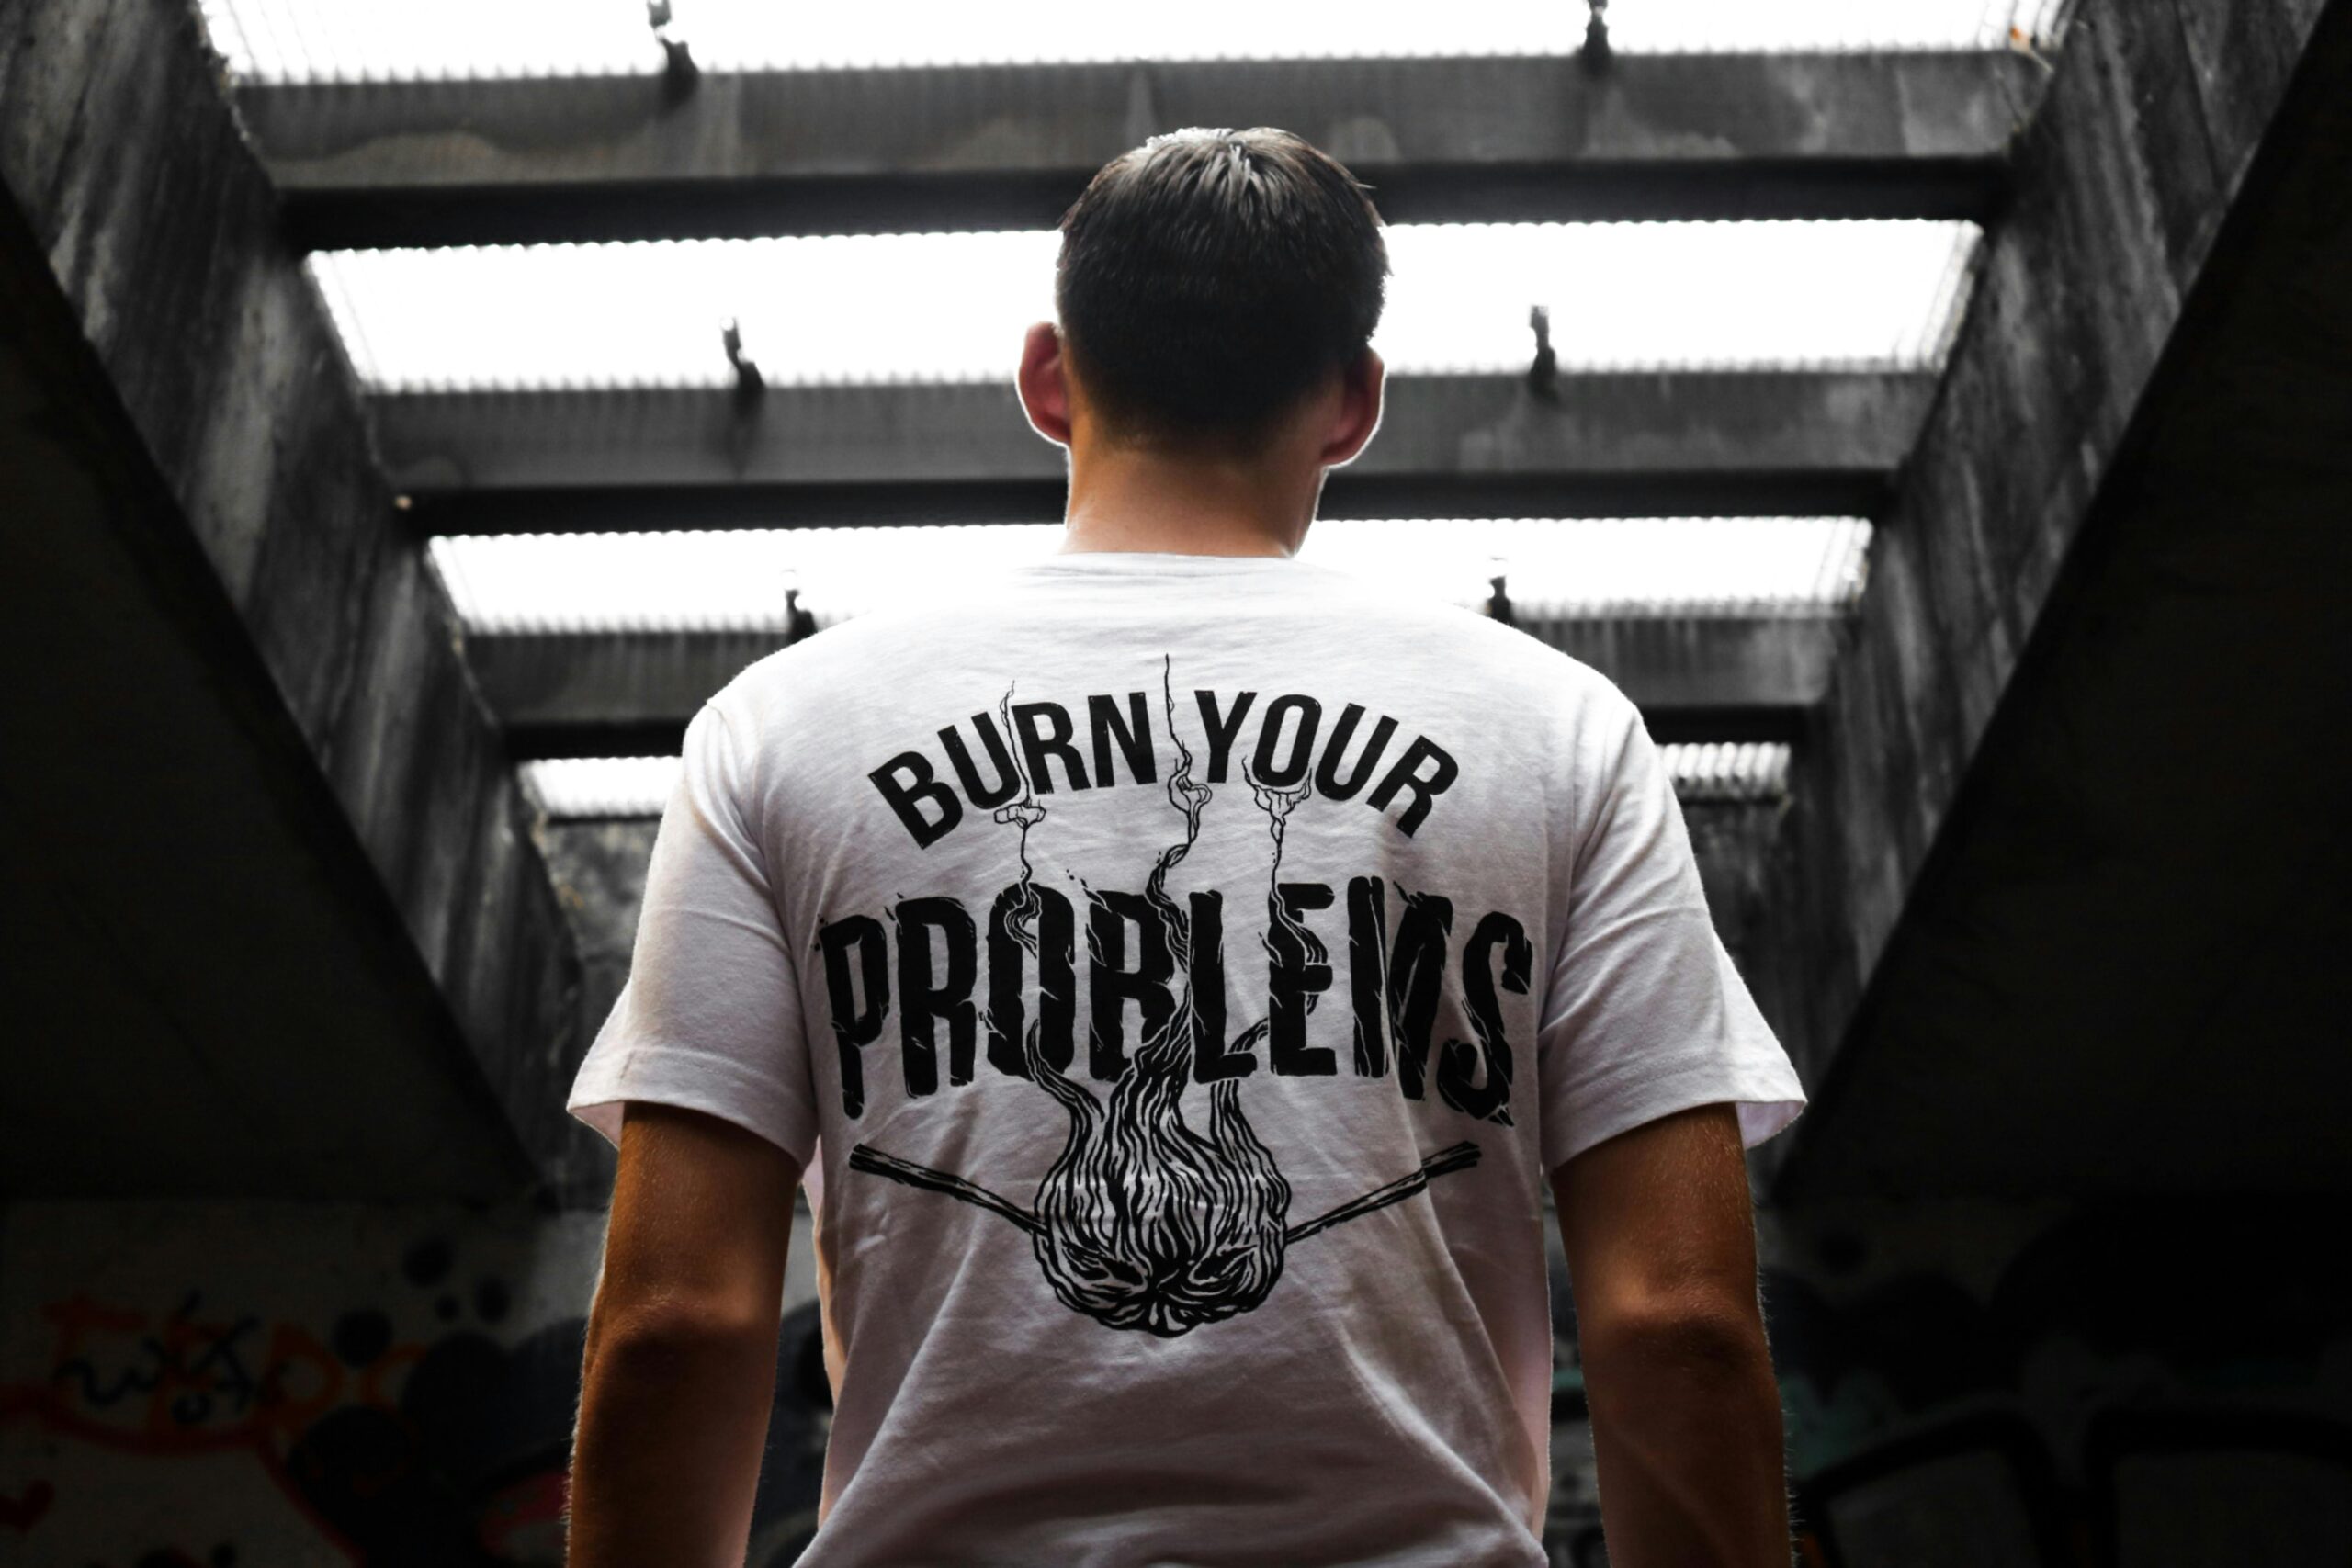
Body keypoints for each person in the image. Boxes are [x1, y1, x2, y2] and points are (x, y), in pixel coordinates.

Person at [563, 126, 1805, 1568]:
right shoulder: (1559, 733)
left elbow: (677, 1323)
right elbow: (1681, 1320)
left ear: (1048, 377)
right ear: (1353, 402)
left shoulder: (779, 733)